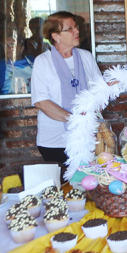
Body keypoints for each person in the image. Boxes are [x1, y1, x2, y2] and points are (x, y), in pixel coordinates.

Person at [31, 11, 102, 165]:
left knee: (88, 184)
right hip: (55, 141)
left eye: (76, 27)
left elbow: (100, 93)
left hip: (88, 138)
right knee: (62, 187)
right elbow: (41, 102)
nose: (77, 31)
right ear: (56, 36)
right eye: (70, 29)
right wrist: (76, 121)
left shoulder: (86, 57)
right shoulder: (42, 62)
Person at [0, 31, 39, 95]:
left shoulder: (33, 61)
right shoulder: (0, 67)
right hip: (9, 104)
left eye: (12, 45)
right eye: (6, 45)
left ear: (22, 48)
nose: (8, 48)